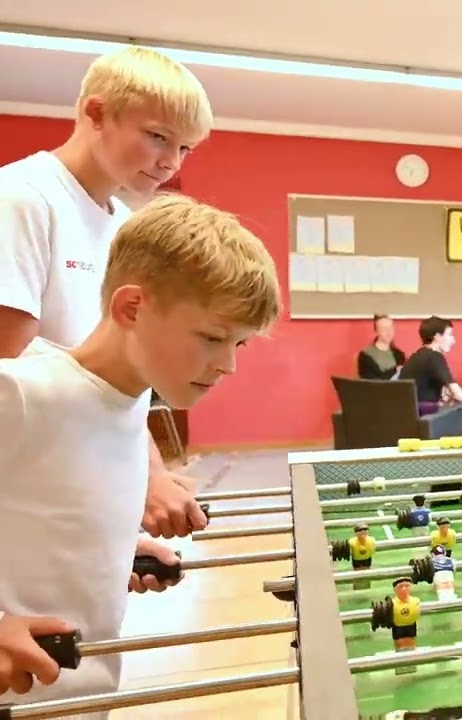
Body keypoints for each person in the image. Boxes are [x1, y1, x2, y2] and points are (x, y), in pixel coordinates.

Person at [0, 194, 280, 708]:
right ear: (132, 308)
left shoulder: (128, 404)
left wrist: (106, 548)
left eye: (238, 344)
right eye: (213, 338)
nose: (228, 366)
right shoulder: (22, 393)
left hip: (81, 697)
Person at [0, 46, 214, 541]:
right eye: (158, 137)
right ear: (96, 114)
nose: (169, 163)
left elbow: (119, 378)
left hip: (81, 492)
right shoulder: (23, 199)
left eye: (184, 149)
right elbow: (12, 380)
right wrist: (131, 484)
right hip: (25, 502)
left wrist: (148, 474)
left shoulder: (123, 225)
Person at [400, 316, 462, 413]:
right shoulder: (434, 357)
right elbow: (460, 396)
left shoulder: (418, 355)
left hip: (409, 413)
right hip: (424, 415)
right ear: (437, 336)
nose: (453, 341)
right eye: (450, 335)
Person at [357, 314, 405, 380]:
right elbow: (370, 382)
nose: (389, 332)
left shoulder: (399, 354)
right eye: (384, 329)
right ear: (376, 332)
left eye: (390, 328)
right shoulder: (366, 354)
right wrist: (394, 370)